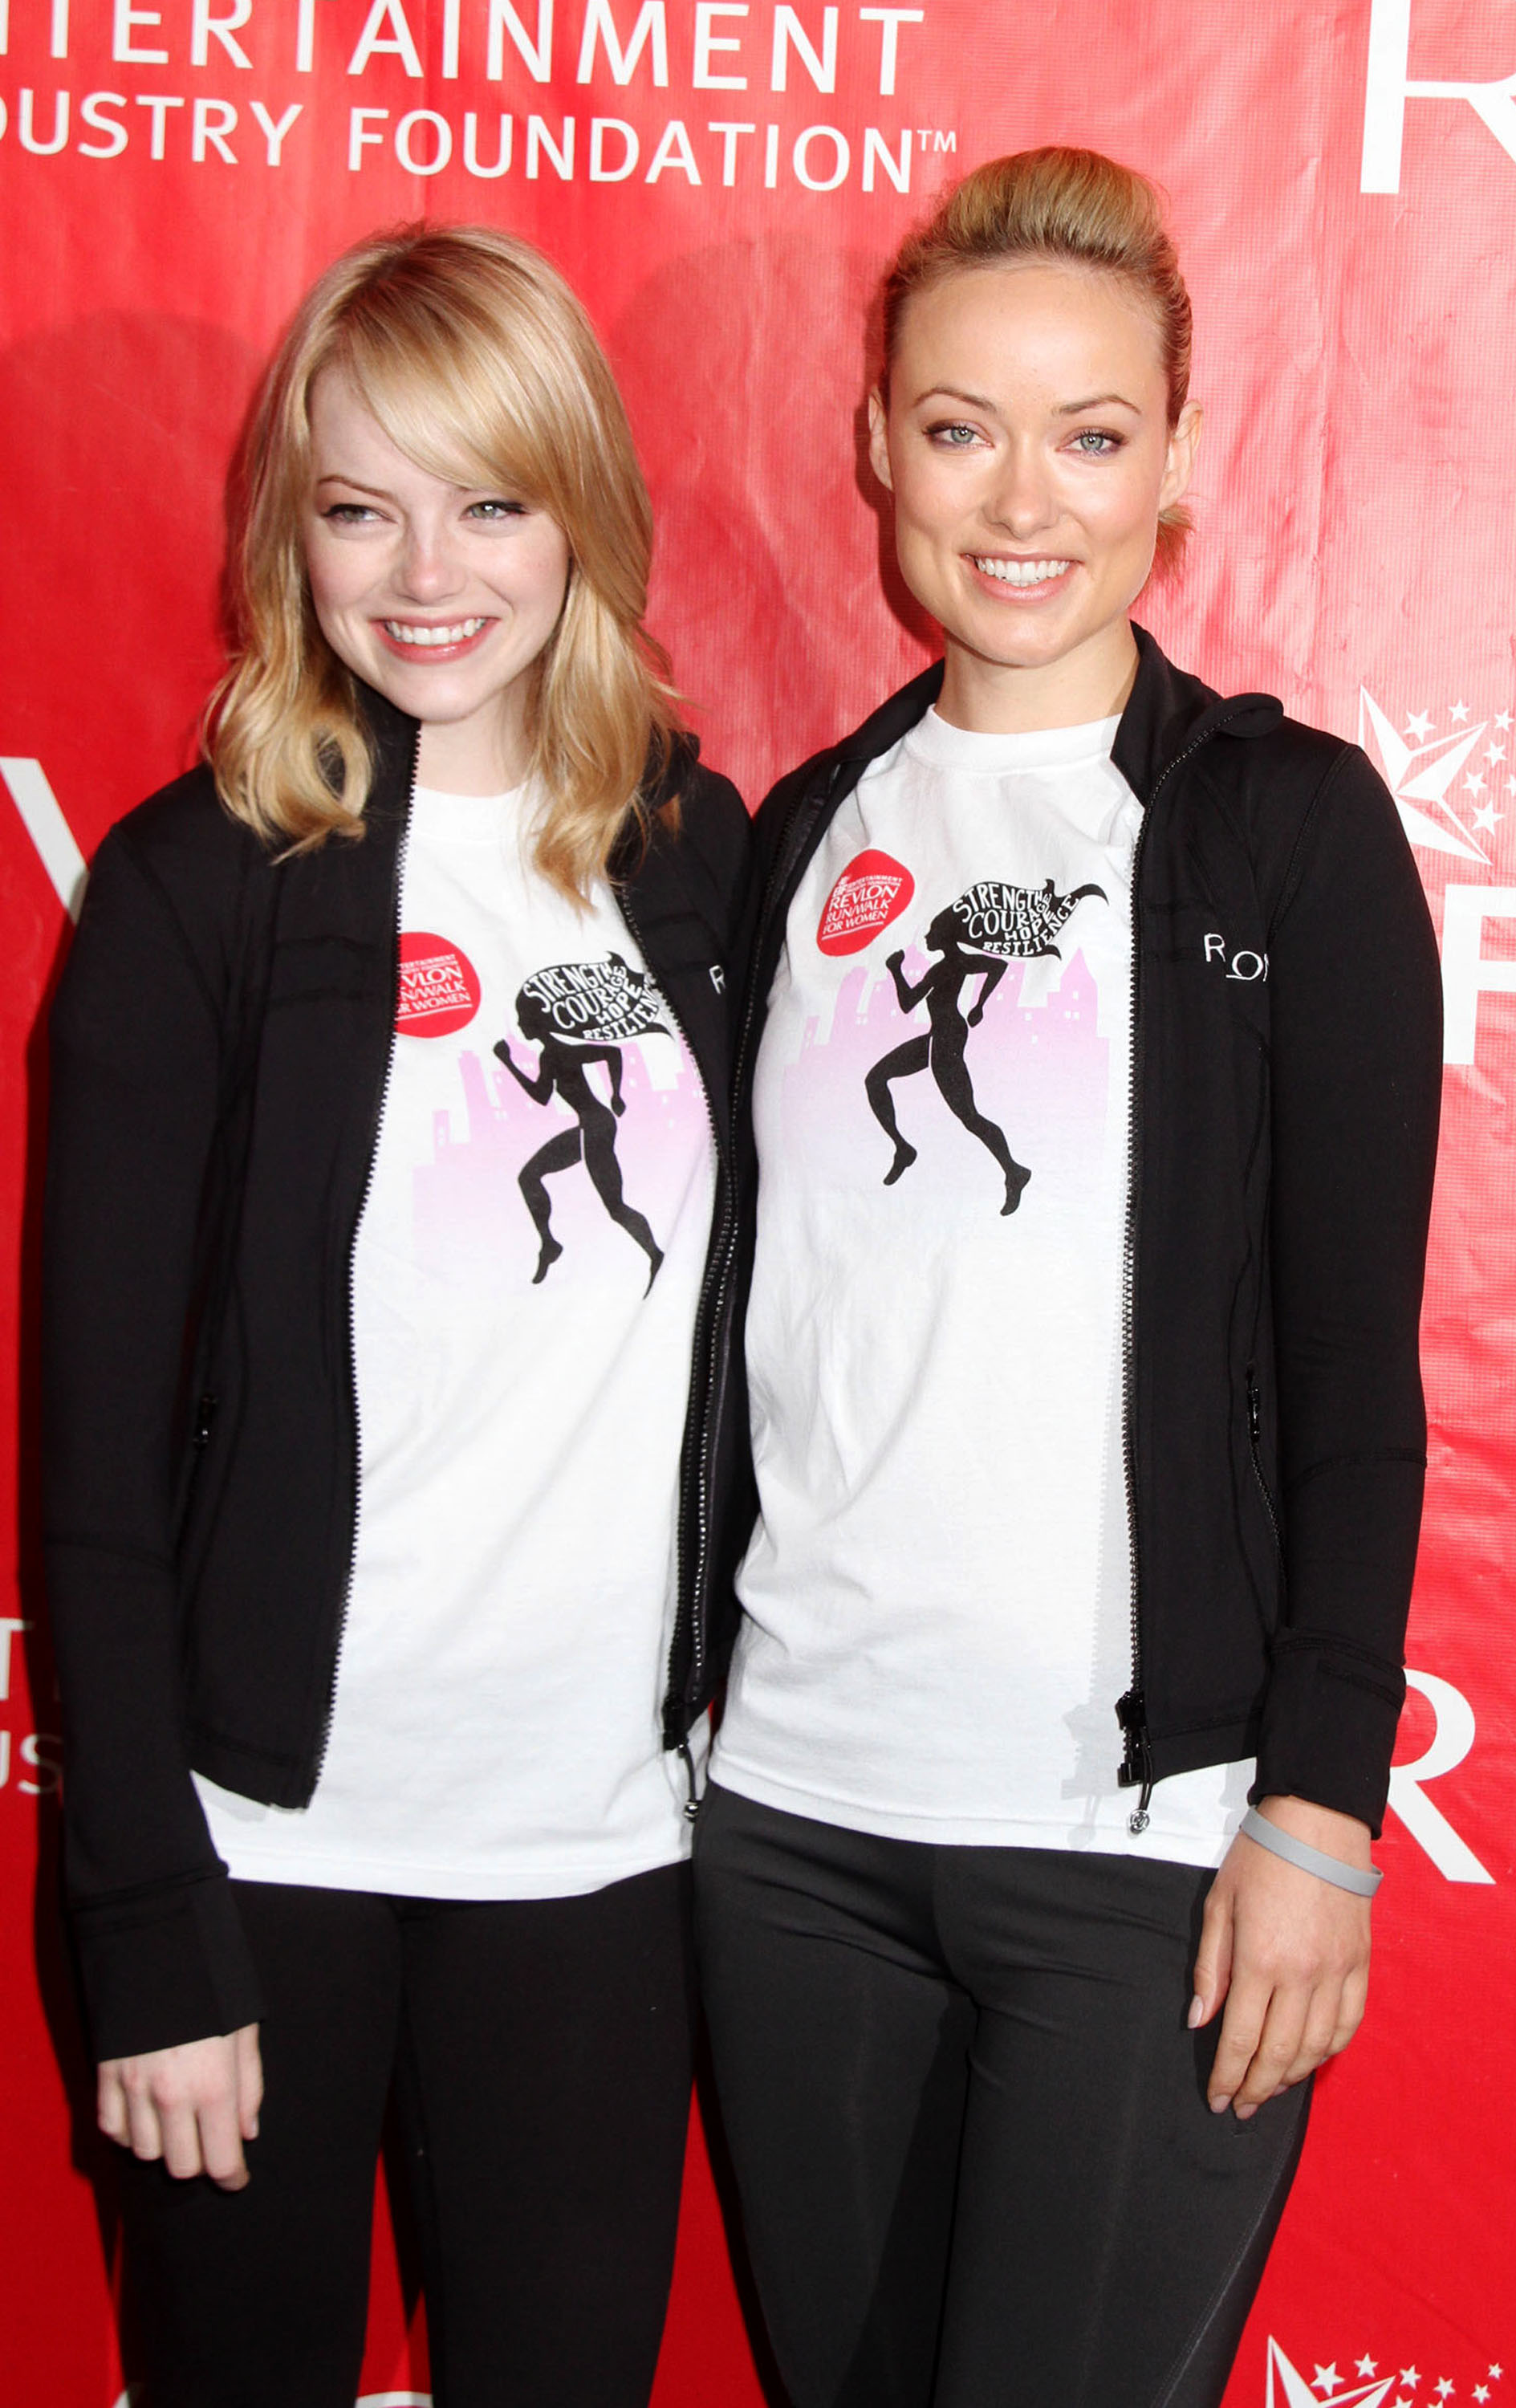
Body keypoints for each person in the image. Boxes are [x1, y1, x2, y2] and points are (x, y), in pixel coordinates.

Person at [693, 148, 1442, 2408]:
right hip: (793, 1827)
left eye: (1091, 433)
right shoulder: (796, 835)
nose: (1023, 500)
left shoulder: (1285, 830)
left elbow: (1351, 1375)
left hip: (1145, 1855)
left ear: (1179, 459)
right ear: (876, 447)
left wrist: (1319, 1808)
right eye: (961, 427)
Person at [43, 225, 748, 2408]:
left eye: (491, 501)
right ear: (293, 529)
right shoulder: (196, 888)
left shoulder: (700, 859)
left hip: (603, 1855)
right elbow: (88, 1473)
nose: (425, 574)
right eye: (361, 507)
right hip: (263, 1855)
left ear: (582, 510)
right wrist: (147, 1926)